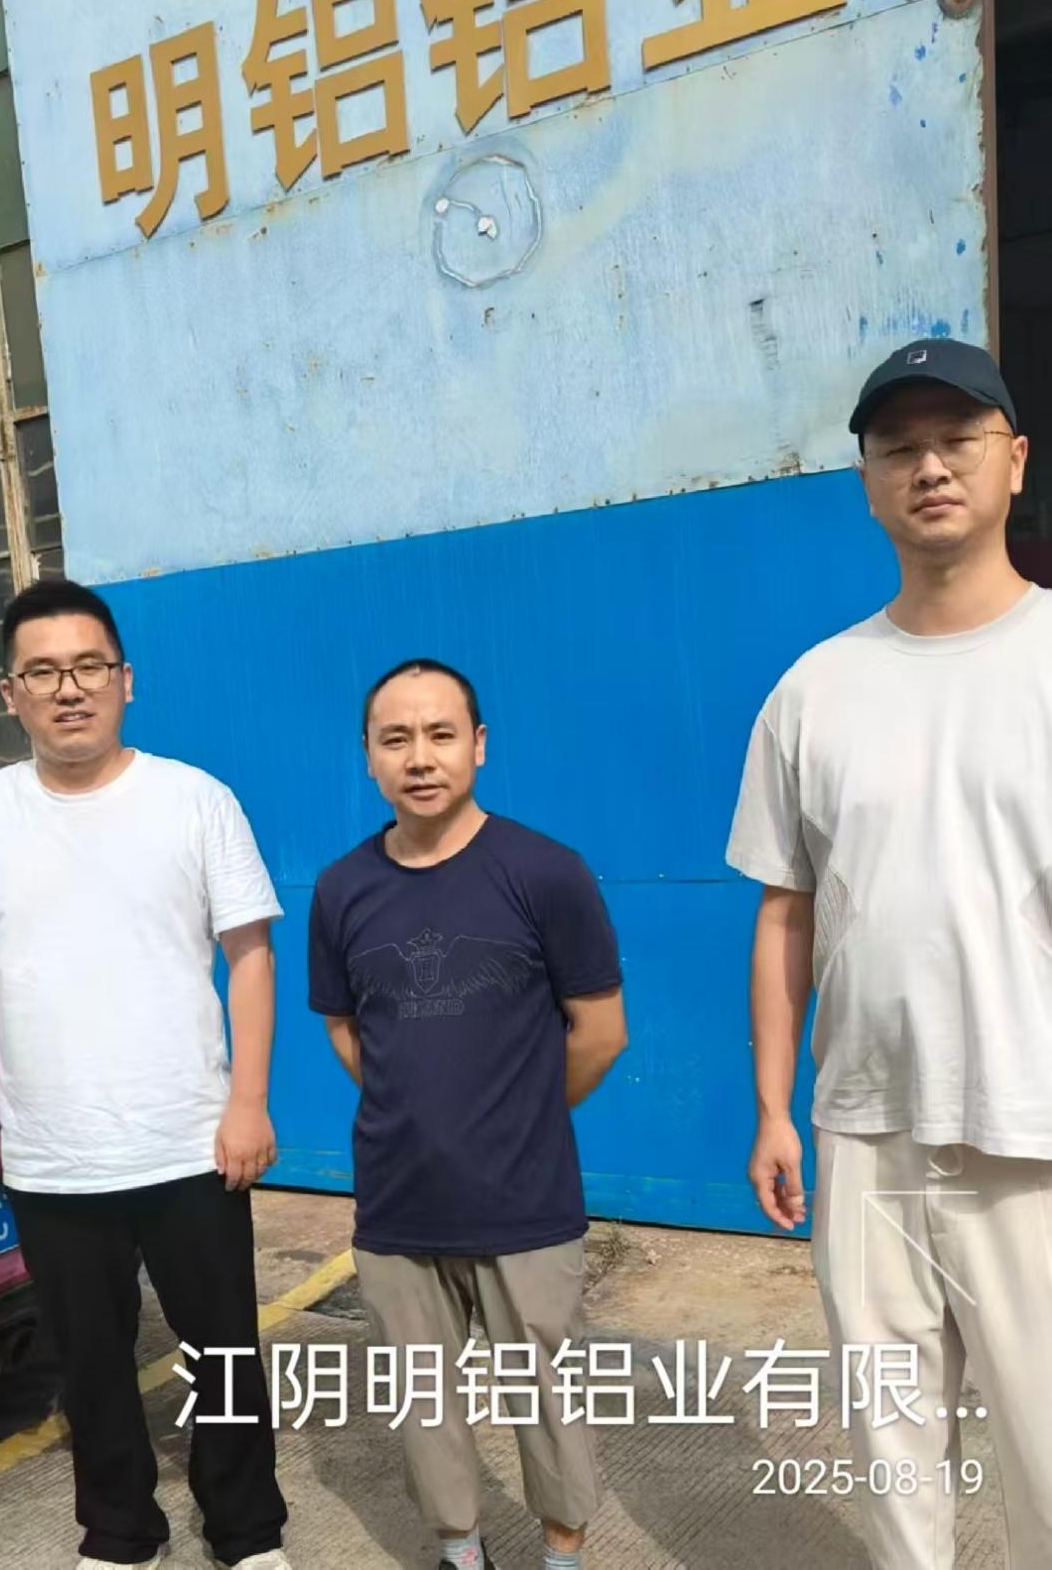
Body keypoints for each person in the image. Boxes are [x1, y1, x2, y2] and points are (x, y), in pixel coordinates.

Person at [727, 338, 1051, 1568]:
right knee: (894, 1460)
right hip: (865, 1134)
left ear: (1015, 461)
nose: (930, 467)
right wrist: (775, 1109)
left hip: (1032, 1128)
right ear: (866, 482)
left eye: (958, 439)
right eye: (898, 447)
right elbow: (787, 911)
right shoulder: (814, 691)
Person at [0, 579, 293, 1570]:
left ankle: (247, 1530)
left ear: (126, 680)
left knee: (223, 1351)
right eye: (42, 672)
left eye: (88, 667)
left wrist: (249, 1102)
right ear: (11, 695)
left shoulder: (195, 801)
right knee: (88, 1362)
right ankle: (121, 1532)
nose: (68, 689)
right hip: (53, 1154)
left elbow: (250, 956)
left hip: (190, 1140)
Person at [308, 658, 628, 1570]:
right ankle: (459, 1550)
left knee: (548, 1394)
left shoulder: (545, 873)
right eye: (396, 739)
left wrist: (518, 1116)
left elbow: (600, 1031)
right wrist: (418, 1109)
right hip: (397, 1203)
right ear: (368, 755)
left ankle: (561, 1554)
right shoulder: (341, 888)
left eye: (440, 734)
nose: (420, 758)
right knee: (422, 1398)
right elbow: (345, 1027)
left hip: (524, 1201)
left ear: (478, 746)